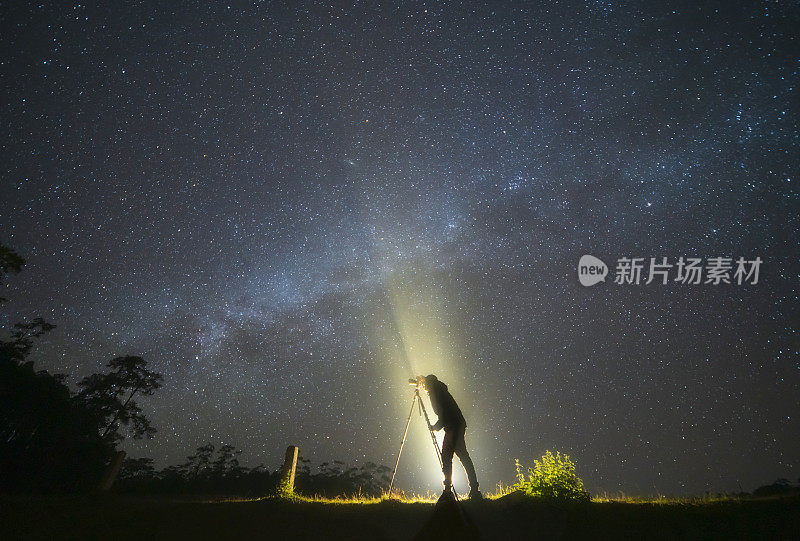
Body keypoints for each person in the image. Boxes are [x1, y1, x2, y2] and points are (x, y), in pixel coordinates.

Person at [422, 374, 481, 500]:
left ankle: (448, 491)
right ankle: (474, 489)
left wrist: (435, 427)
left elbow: (444, 413)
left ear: (429, 384)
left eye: (425, 384)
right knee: (464, 457)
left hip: (453, 426)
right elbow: (445, 412)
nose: (424, 387)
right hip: (457, 424)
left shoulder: (435, 393)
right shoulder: (439, 389)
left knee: (446, 456)